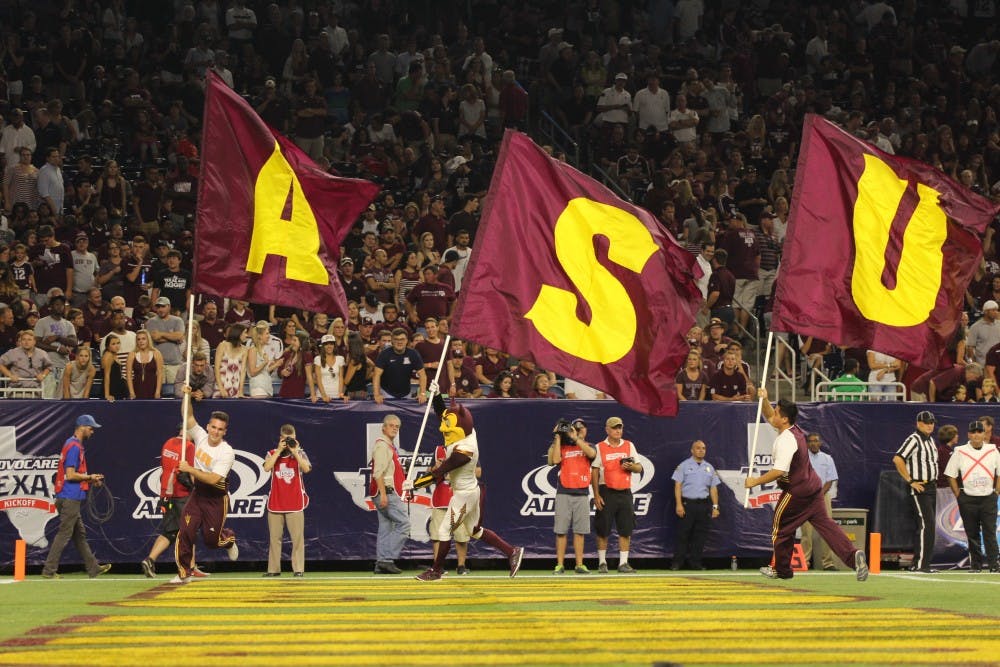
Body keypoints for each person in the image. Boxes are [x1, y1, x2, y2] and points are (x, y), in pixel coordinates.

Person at [745, 389, 869, 581]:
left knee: (781, 527)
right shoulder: (794, 430)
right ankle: (854, 556)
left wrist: (755, 481)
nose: (773, 415)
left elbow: (778, 472)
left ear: (784, 419)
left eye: (777, 412)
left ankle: (782, 570)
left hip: (797, 490)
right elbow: (769, 415)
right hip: (813, 488)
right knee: (827, 525)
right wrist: (765, 399)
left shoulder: (786, 441)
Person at [415, 391, 525, 581]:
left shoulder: (465, 450)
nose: (443, 427)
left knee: (443, 531)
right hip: (471, 490)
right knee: (474, 531)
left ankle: (436, 571)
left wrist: (412, 485)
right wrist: (437, 396)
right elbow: (445, 416)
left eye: (448, 425)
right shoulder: (468, 431)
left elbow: (438, 474)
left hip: (463, 495)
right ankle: (512, 551)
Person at [172, 387, 239, 583]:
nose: (215, 432)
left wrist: (190, 469)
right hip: (198, 495)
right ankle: (184, 572)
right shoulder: (200, 436)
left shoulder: (227, 452)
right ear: (208, 427)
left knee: (212, 541)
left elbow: (213, 479)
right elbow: (187, 414)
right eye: (213, 427)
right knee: (185, 531)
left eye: (220, 429)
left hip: (216, 499)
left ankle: (228, 540)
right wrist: (187, 396)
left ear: (224, 432)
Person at [41, 415, 111, 579]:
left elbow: (73, 475)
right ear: (82, 427)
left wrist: (90, 480)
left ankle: (93, 568)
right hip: (69, 496)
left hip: (68, 495)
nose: (92, 431)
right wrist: (90, 477)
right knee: (64, 533)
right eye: (91, 428)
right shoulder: (73, 446)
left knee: (79, 534)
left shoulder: (71, 444)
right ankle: (49, 571)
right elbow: (70, 475)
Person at [140, 429, 210, 579]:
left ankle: (150, 560)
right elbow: (190, 471)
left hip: (166, 494)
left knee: (170, 532)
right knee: (189, 530)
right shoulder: (189, 447)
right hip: (181, 495)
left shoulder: (168, 443)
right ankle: (190, 567)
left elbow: (164, 468)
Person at [943, 420, 1000, 573]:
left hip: (988, 497)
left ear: (984, 434)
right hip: (968, 497)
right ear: (968, 434)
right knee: (971, 533)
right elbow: (950, 475)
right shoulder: (960, 451)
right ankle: (976, 565)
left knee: (990, 531)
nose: (976, 435)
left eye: (979, 432)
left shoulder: (993, 450)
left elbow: (999, 472)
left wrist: (996, 492)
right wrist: (959, 495)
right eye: (973, 432)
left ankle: (994, 564)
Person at [591, 416, 643, 574]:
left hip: (625, 491)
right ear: (607, 429)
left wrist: (632, 466)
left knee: (626, 528)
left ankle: (623, 563)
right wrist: (596, 494)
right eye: (614, 428)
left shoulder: (629, 445)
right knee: (603, 529)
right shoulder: (600, 447)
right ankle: (602, 562)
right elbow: (594, 470)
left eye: (620, 427)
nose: (618, 430)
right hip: (606, 491)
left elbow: (639, 468)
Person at [892, 410, 940, 573]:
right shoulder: (914, 439)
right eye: (926, 422)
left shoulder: (931, 440)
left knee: (928, 526)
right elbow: (898, 458)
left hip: (931, 486)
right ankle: (921, 565)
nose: (929, 425)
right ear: (918, 423)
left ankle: (920, 563)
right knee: (927, 525)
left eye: (931, 422)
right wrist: (910, 480)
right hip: (921, 487)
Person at [547, 418, 597, 574]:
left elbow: (592, 454)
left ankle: (579, 564)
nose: (578, 430)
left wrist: (576, 438)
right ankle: (560, 565)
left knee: (579, 531)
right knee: (561, 531)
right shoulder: (562, 446)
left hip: (582, 493)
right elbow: (554, 460)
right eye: (575, 428)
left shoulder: (589, 446)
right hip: (563, 492)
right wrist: (557, 437)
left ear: (585, 430)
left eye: (581, 428)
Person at [262, 424, 312, 577]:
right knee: (274, 539)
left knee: (297, 539)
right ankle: (273, 570)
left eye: (292, 439)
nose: (289, 442)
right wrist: (278, 450)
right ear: (280, 438)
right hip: (276, 503)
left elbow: (307, 469)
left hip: (295, 503)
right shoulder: (271, 453)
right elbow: (266, 467)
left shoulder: (300, 454)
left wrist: (295, 452)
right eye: (286, 439)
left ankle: (298, 569)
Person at [671, 439, 721, 570]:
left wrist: (715, 506)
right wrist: (679, 504)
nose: (701, 450)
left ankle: (695, 563)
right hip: (688, 504)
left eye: (703, 448)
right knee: (683, 534)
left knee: (700, 535)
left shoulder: (709, 467)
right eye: (698, 448)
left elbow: (713, 488)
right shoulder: (684, 466)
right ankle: (677, 563)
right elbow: (677, 486)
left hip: (704, 505)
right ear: (692, 450)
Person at [370, 414, 409, 574]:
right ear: (383, 428)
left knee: (385, 527)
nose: (394, 428)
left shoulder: (389, 447)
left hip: (384, 491)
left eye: (397, 427)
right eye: (391, 425)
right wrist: (384, 494)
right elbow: (377, 472)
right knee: (404, 524)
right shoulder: (383, 446)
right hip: (386, 492)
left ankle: (381, 562)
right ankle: (387, 558)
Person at [799, 433, 839, 571]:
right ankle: (804, 562)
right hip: (805, 497)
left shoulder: (827, 459)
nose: (813, 443)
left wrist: (819, 495)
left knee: (827, 530)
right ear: (807, 444)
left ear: (820, 443)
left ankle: (828, 563)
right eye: (810, 441)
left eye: (816, 441)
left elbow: (830, 479)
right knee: (806, 532)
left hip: (823, 497)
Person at [372, 328, 427, 403]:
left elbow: (422, 375)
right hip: (386, 394)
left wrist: (422, 393)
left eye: (402, 339)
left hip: (406, 393)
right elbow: (376, 375)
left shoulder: (413, 354)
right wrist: (377, 394)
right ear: (392, 341)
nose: (399, 342)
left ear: (407, 340)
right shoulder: (384, 354)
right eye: (396, 339)